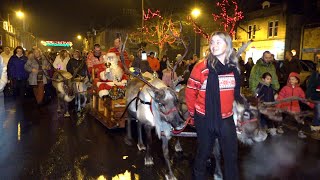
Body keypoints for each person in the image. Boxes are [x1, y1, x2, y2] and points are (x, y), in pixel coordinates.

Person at [186, 31, 243, 180]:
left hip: (226, 118)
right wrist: (193, 114)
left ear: (228, 45)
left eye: (218, 42)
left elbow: (235, 95)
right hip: (205, 118)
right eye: (212, 42)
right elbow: (191, 92)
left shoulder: (234, 69)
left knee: (231, 156)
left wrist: (241, 113)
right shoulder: (201, 68)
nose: (214, 45)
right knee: (203, 153)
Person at [277, 72, 310, 138]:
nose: (291, 80)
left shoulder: (299, 89)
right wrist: (278, 106)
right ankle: (279, 127)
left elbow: (303, 97)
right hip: (285, 107)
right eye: (290, 79)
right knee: (282, 117)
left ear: (297, 80)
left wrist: (308, 103)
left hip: (295, 107)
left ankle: (300, 132)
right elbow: (280, 97)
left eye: (293, 79)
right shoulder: (285, 88)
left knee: (299, 119)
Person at [306, 64, 320, 139]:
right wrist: (308, 96)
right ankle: (316, 130)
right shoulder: (315, 75)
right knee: (318, 113)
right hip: (317, 98)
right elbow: (310, 86)